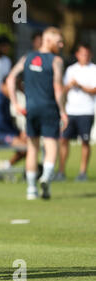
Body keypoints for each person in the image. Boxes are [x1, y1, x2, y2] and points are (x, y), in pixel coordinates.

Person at [6, 27, 68, 200]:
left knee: (32, 147)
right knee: (51, 145)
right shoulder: (56, 60)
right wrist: (63, 111)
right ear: (48, 40)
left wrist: (15, 103)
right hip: (49, 108)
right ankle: (46, 177)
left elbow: (10, 78)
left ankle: (31, 189)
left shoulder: (27, 57)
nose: (61, 45)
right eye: (59, 41)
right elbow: (58, 88)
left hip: (31, 109)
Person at [56, 43, 96, 181]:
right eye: (82, 54)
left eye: (87, 54)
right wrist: (69, 86)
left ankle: (82, 173)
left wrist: (81, 86)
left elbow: (94, 89)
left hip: (86, 110)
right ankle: (61, 172)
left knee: (85, 142)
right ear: (77, 55)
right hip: (70, 110)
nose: (85, 57)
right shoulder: (71, 70)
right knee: (64, 140)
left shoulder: (93, 69)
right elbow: (63, 89)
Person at [0, 77, 27, 168]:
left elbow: (7, 122)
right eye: (11, 86)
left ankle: (8, 166)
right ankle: (6, 167)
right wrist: (16, 134)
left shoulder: (6, 100)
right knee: (24, 147)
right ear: (3, 85)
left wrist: (19, 133)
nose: (13, 89)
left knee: (29, 141)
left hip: (4, 133)